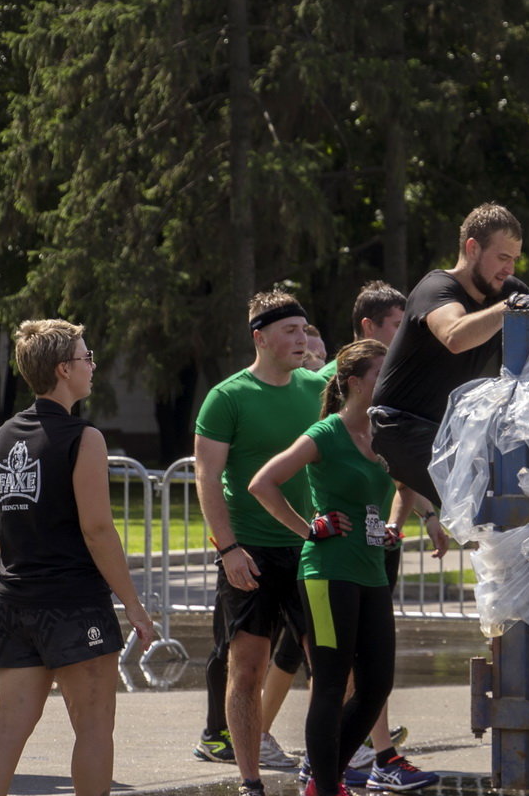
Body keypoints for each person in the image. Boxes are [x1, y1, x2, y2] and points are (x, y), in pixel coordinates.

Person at [0, 319, 153, 796]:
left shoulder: (1, 437)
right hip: (72, 602)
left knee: (6, 728)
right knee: (93, 729)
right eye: (87, 357)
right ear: (63, 368)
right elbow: (97, 529)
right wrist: (132, 603)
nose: (93, 366)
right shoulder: (82, 437)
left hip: (13, 599)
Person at [249, 339, 440, 795]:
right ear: (354, 383)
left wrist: (396, 524)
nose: (388, 383)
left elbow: (405, 483)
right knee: (332, 683)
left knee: (376, 685)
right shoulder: (326, 434)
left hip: (371, 570)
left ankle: (325, 775)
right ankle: (327, 783)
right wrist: (308, 527)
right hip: (327, 573)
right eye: (380, 375)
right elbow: (263, 483)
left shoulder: (382, 434)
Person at [371, 202, 529, 506]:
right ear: (472, 248)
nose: (509, 269)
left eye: (515, 259)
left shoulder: (509, 290)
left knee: (523, 503)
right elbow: (454, 336)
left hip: (452, 431)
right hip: (401, 428)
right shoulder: (437, 288)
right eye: (502, 258)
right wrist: (509, 307)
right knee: (491, 509)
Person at [193, 290, 328, 796]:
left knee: (330, 665)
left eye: (304, 328)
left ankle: (325, 770)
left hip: (309, 546)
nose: (301, 339)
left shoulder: (318, 388)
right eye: (290, 330)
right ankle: (250, 781)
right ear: (261, 337)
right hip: (249, 550)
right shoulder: (228, 396)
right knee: (247, 668)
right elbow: (207, 478)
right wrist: (228, 549)